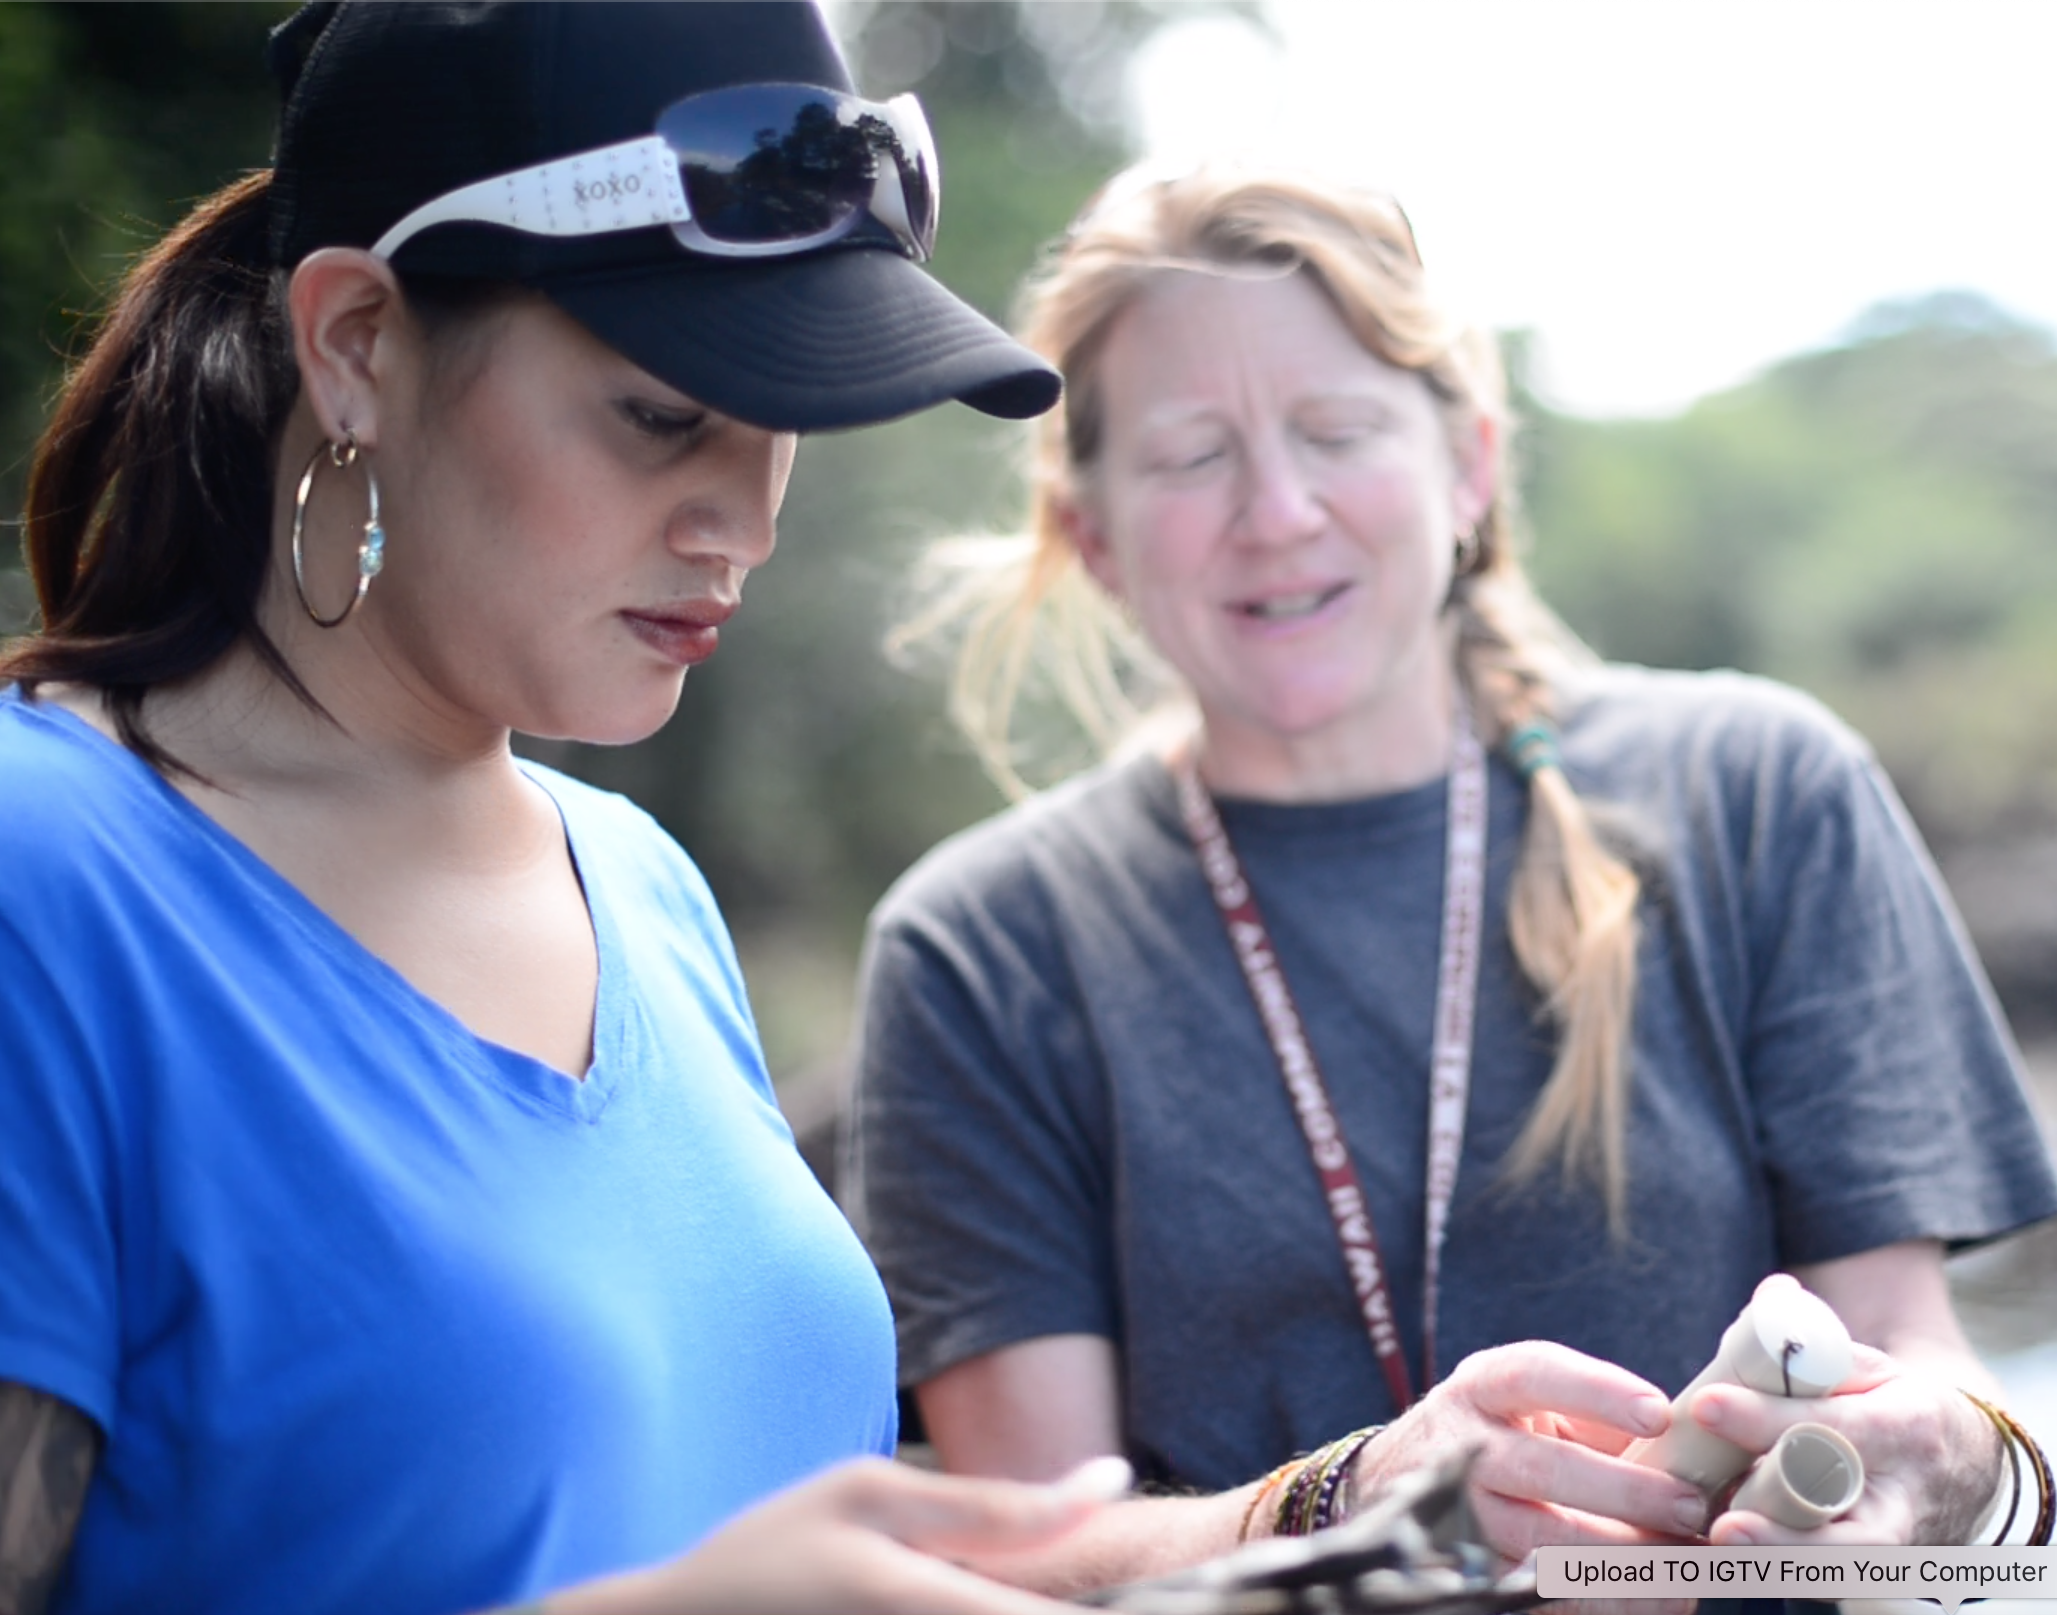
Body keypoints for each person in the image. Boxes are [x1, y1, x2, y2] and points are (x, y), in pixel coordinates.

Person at [0, 5, 1186, 1612]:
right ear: (355, 343)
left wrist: (1334, 1509)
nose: (745, 523)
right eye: (661, 412)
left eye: (787, 425)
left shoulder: (636, 880)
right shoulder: (47, 882)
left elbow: (813, 1547)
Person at [844, 161, 2057, 1570]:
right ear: (1092, 535)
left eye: (1337, 428)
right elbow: (1022, 1555)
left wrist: (1944, 1469)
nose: (1279, 509)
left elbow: (1924, 1362)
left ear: (1468, 464)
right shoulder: (980, 945)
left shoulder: (1767, 791)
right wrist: (1352, 1505)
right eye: (1192, 453)